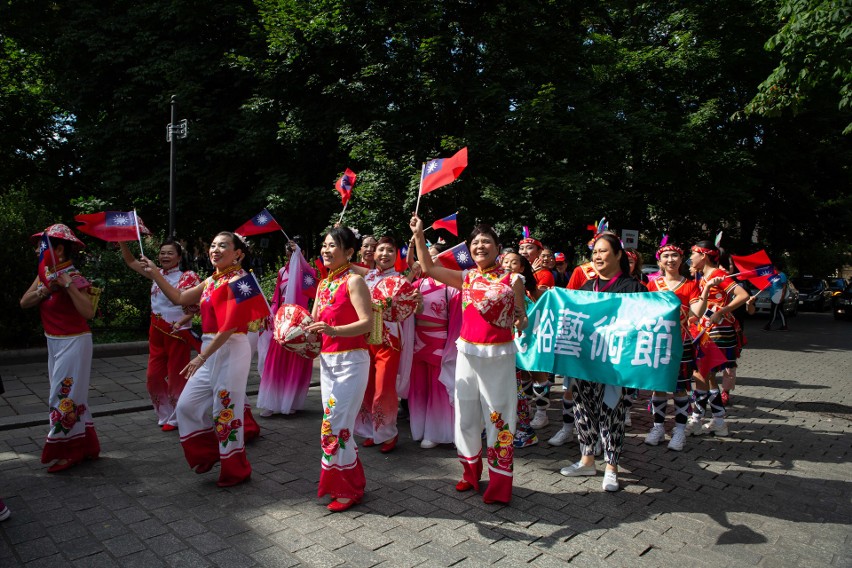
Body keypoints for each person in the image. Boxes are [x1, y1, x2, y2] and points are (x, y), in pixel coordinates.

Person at [410, 214, 528, 505]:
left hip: (498, 355)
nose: (480, 246)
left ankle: (500, 484)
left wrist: (519, 321)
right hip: (466, 354)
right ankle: (469, 473)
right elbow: (428, 267)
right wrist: (418, 235)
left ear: (497, 248)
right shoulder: (467, 277)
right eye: (475, 242)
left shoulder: (513, 280)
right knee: (464, 415)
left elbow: (522, 318)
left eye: (486, 241)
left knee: (499, 418)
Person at [140, 232, 256, 487]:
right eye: (213, 245)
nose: (215, 249)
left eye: (223, 246)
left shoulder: (242, 281)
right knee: (186, 406)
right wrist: (156, 273)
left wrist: (201, 357)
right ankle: (208, 453)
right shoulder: (212, 280)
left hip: (231, 348)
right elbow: (180, 298)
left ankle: (236, 469)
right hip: (209, 349)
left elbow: (229, 327)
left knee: (225, 410)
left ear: (238, 253)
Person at [558, 232, 645, 492]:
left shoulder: (635, 288)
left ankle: (611, 467)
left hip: (616, 366)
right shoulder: (586, 288)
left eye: (603, 251)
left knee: (612, 414)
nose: (597, 256)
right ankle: (587, 459)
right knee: (583, 411)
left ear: (619, 254)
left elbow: (642, 326)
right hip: (587, 363)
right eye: (594, 252)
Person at [20, 224, 100, 473]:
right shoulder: (44, 273)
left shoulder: (75, 276)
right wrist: (47, 288)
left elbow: (88, 312)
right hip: (54, 341)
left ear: (60, 249)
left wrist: (68, 286)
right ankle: (86, 446)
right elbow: (24, 302)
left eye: (42, 247)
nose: (37, 251)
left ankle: (69, 450)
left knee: (62, 397)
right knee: (74, 398)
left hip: (75, 341)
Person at [304, 226, 373, 512]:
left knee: (333, 425)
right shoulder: (324, 284)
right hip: (329, 362)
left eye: (333, 245)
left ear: (349, 252)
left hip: (352, 361)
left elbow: (367, 322)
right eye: (324, 244)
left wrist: (333, 329)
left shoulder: (355, 281)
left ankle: (347, 488)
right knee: (338, 425)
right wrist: (302, 330)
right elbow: (315, 321)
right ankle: (350, 482)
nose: (326, 250)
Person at [120, 240, 201, 431]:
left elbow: (195, 306)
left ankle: (177, 417)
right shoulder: (156, 274)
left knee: (176, 376)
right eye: (162, 253)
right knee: (153, 376)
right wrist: (123, 243)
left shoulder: (187, 276)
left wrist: (182, 321)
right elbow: (131, 262)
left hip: (177, 332)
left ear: (179, 257)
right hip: (156, 331)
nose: (165, 256)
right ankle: (164, 413)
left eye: (170, 253)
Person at [349, 236, 417, 453]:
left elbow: (407, 311)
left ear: (396, 254)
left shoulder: (401, 281)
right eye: (381, 250)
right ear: (374, 254)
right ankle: (371, 430)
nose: (385, 254)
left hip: (389, 339)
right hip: (365, 338)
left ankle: (388, 433)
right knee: (365, 385)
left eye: (390, 250)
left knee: (384, 388)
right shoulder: (365, 277)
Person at [644, 242, 709, 451]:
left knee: (681, 388)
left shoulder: (691, 285)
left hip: (681, 342)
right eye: (666, 256)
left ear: (681, 260)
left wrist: (706, 288)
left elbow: (697, 313)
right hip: (657, 342)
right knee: (659, 387)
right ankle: (658, 427)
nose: (670, 260)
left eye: (674, 256)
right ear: (660, 261)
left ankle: (680, 430)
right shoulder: (652, 285)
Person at [687, 240, 749, 437]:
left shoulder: (718, 274)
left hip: (716, 331)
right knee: (708, 376)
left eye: (693, 254)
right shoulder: (704, 274)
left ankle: (697, 420)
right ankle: (718, 421)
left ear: (703, 255)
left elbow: (743, 295)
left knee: (701, 374)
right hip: (705, 328)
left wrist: (722, 310)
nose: (690, 258)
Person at [257, 242, 318, 416]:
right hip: (283, 321)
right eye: (288, 251)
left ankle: (290, 401)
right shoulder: (282, 272)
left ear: (302, 251)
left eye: (294, 251)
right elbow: (277, 297)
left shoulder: (309, 273)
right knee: (276, 360)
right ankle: (272, 401)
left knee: (295, 361)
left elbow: (314, 295)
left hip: (301, 322)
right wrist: (272, 316)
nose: (291, 254)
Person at [408, 241, 458, 449]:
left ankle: (439, 432)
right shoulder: (416, 284)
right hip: (417, 341)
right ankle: (421, 429)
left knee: (439, 388)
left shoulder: (451, 286)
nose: (426, 258)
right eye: (424, 254)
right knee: (419, 388)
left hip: (440, 341)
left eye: (432, 255)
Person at [501, 251, 541, 448]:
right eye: (505, 261)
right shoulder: (498, 279)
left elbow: (521, 318)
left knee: (515, 389)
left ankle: (525, 430)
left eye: (514, 262)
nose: (508, 264)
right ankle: (505, 427)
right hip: (498, 344)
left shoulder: (515, 280)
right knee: (503, 389)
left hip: (512, 344)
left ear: (522, 267)